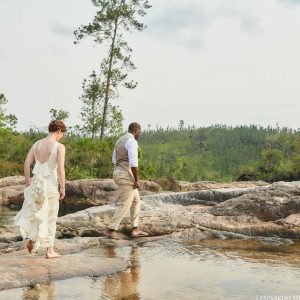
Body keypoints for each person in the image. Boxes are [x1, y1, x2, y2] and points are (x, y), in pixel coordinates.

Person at [14, 120, 66, 258]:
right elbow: (60, 169)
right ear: (59, 131)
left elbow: (26, 165)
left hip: (35, 185)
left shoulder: (37, 144)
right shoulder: (59, 147)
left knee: (36, 214)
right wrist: (63, 188)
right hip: (50, 185)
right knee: (50, 216)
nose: (62, 136)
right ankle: (50, 250)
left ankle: (32, 240)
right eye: (62, 134)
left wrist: (27, 182)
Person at [104, 122, 149, 239]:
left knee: (135, 200)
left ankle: (135, 228)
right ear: (136, 130)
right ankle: (111, 229)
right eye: (140, 132)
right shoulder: (132, 141)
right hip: (125, 173)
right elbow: (134, 163)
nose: (140, 134)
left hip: (117, 171)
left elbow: (114, 159)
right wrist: (136, 180)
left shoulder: (119, 140)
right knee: (126, 202)